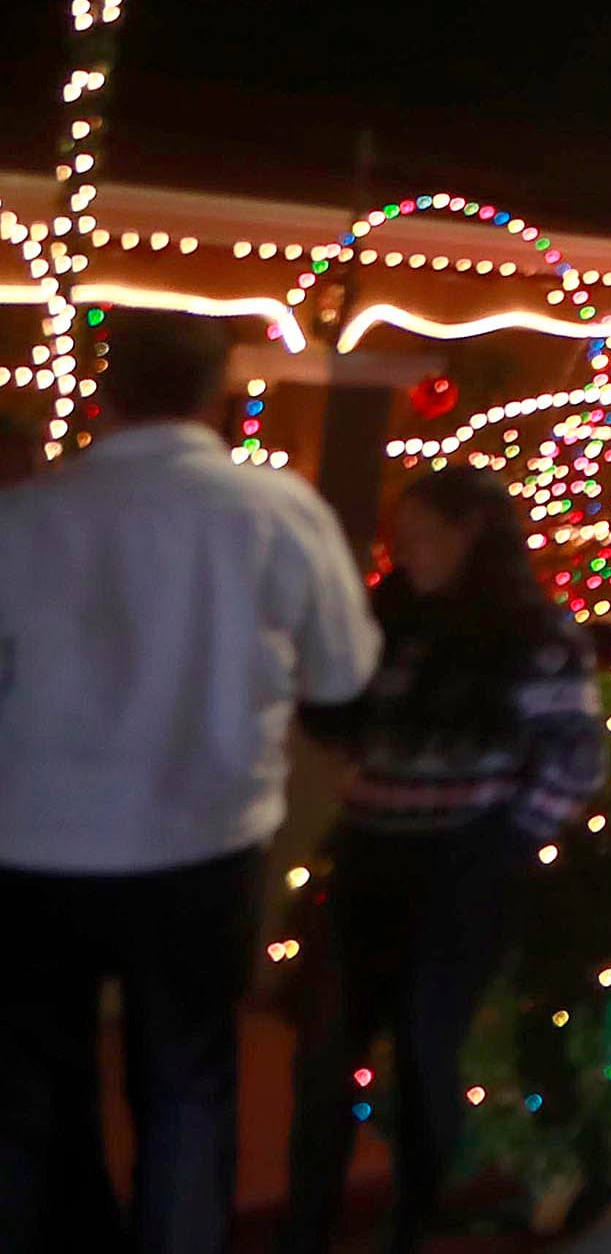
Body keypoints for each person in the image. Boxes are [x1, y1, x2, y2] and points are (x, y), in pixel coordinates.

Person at [0, 313, 378, 1254]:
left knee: (36, 1089)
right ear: (218, 390)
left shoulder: (28, 515)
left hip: (30, 839)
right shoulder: (277, 509)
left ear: (105, 389)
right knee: (187, 1084)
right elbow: (342, 677)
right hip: (201, 837)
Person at [278, 465, 605, 1254]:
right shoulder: (390, 618)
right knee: (326, 1051)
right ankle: (306, 1223)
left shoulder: (533, 635)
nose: (408, 550)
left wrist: (510, 840)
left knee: (427, 1044)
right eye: (404, 534)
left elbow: (575, 755)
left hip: (463, 861)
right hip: (371, 851)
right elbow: (341, 717)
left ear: (472, 535)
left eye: (425, 534)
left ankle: (412, 1221)